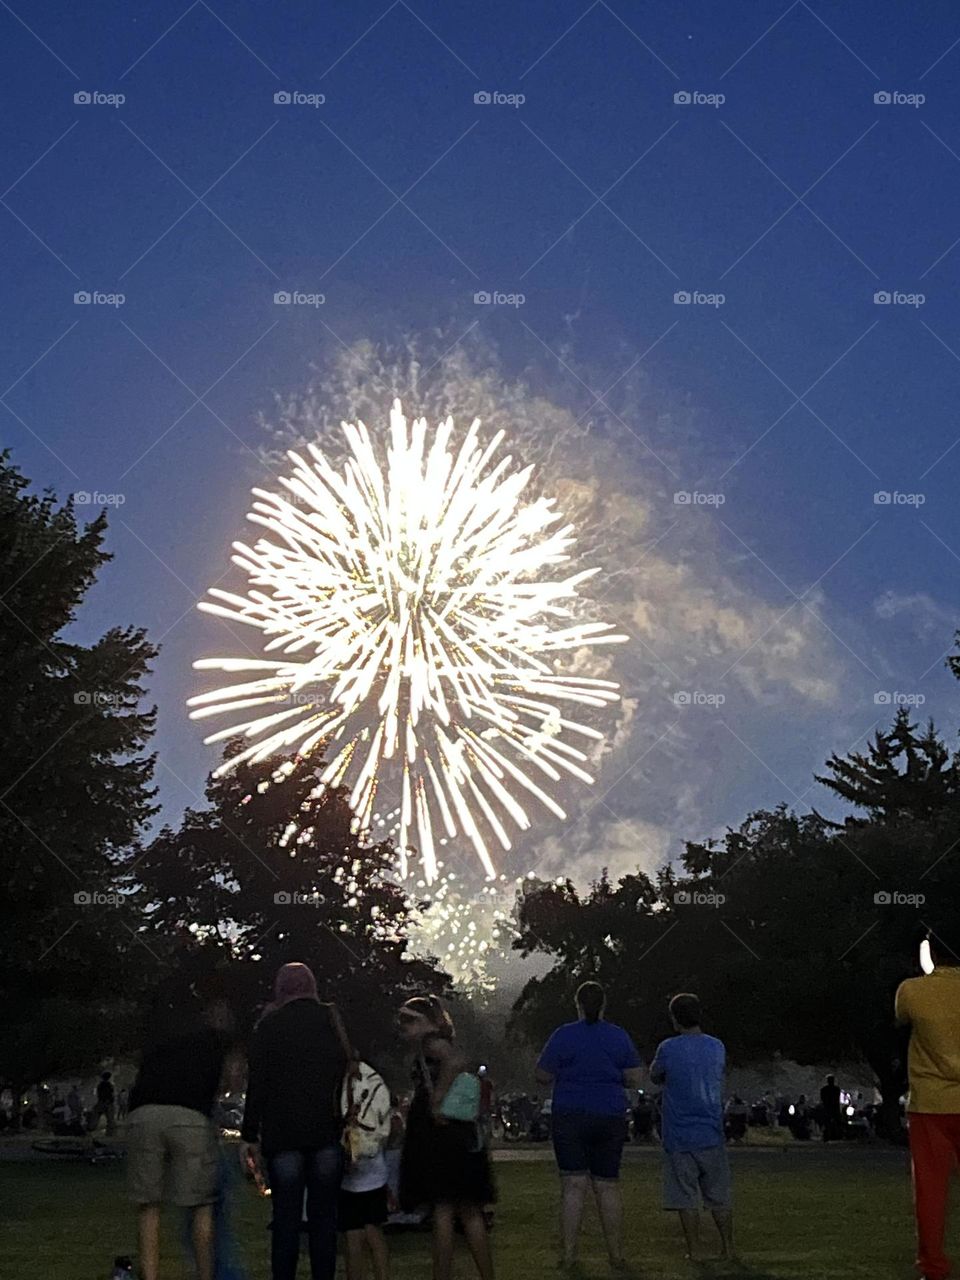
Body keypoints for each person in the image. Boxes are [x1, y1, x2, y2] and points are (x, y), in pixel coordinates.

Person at [241, 962, 351, 1280]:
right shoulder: (331, 1020)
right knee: (324, 1221)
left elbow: (257, 1084)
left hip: (283, 1135)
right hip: (327, 1132)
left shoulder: (269, 1026)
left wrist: (250, 1134)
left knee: (286, 1221)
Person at [126, 982, 232, 1280]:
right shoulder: (214, 1040)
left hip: (144, 1111)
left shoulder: (160, 1036)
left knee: (148, 1205)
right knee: (201, 1204)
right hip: (190, 1116)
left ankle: (150, 1274)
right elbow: (223, 1085)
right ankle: (205, 1274)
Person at [535, 980, 642, 1271]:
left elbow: (543, 1075)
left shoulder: (563, 1036)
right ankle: (616, 1254)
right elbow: (634, 1077)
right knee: (607, 1185)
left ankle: (569, 1254)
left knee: (573, 1184)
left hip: (570, 1112)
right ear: (603, 1004)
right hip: (609, 1112)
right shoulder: (618, 1036)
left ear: (577, 1004)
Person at [397, 994, 496, 1280]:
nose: (404, 1026)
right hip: (459, 1131)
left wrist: (437, 1099)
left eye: (410, 1020)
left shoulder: (432, 1044)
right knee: (468, 1210)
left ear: (429, 1022)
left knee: (443, 1209)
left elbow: (456, 1061)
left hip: (439, 1134)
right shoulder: (432, 1044)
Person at [649, 993, 734, 1263]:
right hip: (711, 1129)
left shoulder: (668, 1048)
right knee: (719, 1196)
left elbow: (655, 1074)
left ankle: (695, 1250)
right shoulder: (717, 1047)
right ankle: (728, 1248)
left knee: (686, 1197)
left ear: (675, 1019)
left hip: (679, 1133)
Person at [896, 933, 960, 1280]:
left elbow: (900, 1020)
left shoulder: (912, 991)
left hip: (930, 1103)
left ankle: (933, 1266)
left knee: (931, 1191)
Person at [340, 1061, 392, 1280]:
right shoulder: (374, 1081)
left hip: (354, 1173)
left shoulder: (346, 1083)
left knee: (355, 1237)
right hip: (373, 1172)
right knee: (371, 1234)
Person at [820, 1074, 842, 1142]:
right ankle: (831, 1134)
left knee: (831, 1122)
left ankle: (833, 1134)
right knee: (829, 1122)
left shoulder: (824, 1090)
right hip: (831, 1108)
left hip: (830, 1108)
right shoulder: (836, 1089)